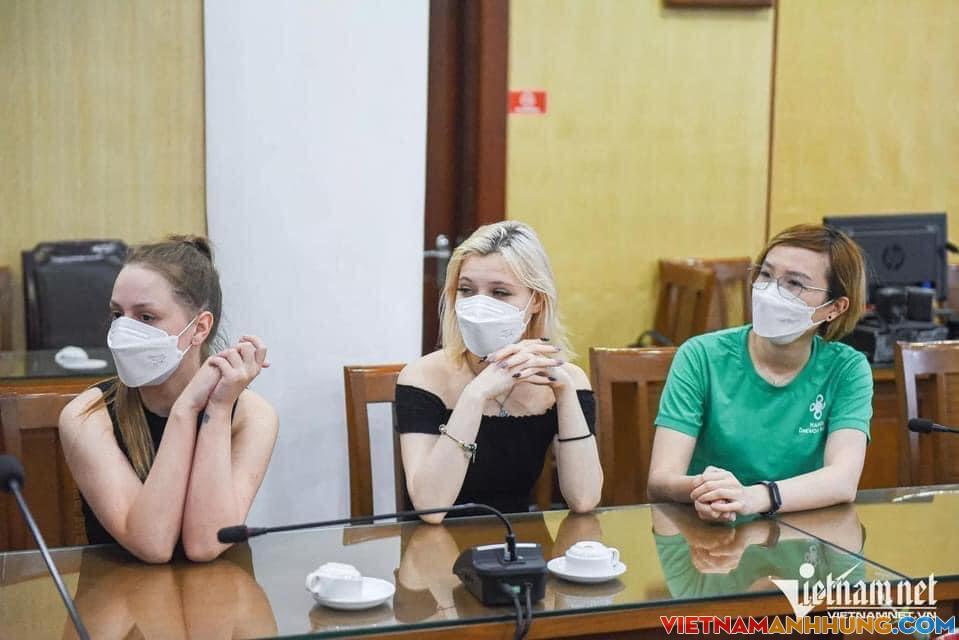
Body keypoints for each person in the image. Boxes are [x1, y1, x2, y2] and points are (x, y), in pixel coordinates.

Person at [59, 236, 279, 563]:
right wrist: (186, 409)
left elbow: (206, 543)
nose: (123, 331)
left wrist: (217, 409)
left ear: (200, 328)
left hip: (221, 590)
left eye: (146, 317)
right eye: (118, 314)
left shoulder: (252, 415)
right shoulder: (85, 416)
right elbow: (152, 544)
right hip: (121, 590)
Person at [647, 224, 872, 520]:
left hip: (804, 534)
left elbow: (843, 480)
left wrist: (754, 497)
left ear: (835, 308)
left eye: (794, 283)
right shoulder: (700, 356)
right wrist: (712, 490)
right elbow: (661, 480)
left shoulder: (847, 369)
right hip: (710, 530)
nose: (771, 292)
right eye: (766, 275)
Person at [395, 221, 603, 522]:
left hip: (518, 542)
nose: (479, 305)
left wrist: (566, 393)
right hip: (434, 544)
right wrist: (476, 395)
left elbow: (585, 498)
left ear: (536, 301)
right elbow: (431, 507)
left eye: (500, 292)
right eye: (466, 290)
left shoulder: (566, 379)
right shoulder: (421, 377)